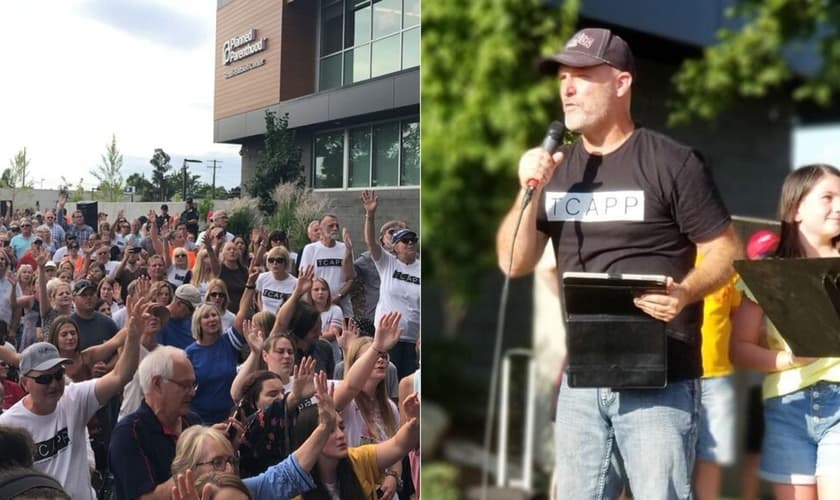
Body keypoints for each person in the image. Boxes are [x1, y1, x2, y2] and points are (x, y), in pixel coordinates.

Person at [495, 27, 740, 498]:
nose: (567, 87)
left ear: (621, 83)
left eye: (583, 75)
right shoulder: (558, 169)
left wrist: (686, 291)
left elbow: (726, 249)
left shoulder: (672, 163)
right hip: (581, 379)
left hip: (660, 379)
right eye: (563, 76)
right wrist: (528, 189)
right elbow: (513, 262)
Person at [730, 165, 840, 500]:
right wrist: (789, 359)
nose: (839, 206)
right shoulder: (765, 273)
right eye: (828, 197)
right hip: (786, 406)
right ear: (795, 209)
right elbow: (739, 349)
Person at [0, 296, 146, 500]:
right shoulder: (9, 425)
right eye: (44, 378)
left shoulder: (74, 397)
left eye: (58, 375)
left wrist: (133, 334)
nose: (54, 384)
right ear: (25, 383)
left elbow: (120, 376)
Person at [109, 345, 204, 499]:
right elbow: (146, 498)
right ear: (157, 384)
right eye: (185, 385)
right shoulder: (129, 433)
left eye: (193, 385)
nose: (192, 393)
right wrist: (201, 464)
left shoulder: (192, 421)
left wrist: (221, 447)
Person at [694, 258, 742, 500]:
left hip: (718, 374)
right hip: (676, 375)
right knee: (669, 453)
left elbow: (733, 314)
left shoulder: (729, 268)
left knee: (713, 456)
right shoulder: (675, 254)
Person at [361, 192, 420, 379]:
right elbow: (370, 242)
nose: (410, 243)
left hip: (414, 340)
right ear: (395, 246)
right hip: (387, 338)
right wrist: (370, 215)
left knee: (411, 384)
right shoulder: (387, 263)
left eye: (413, 240)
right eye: (405, 241)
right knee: (387, 382)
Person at [299, 215, 356, 318]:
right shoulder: (310, 249)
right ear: (321, 229)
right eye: (331, 226)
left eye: (337, 226)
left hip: (342, 306)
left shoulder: (345, 248)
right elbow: (305, 279)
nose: (335, 229)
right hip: (316, 307)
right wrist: (319, 299)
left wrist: (338, 297)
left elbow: (350, 279)